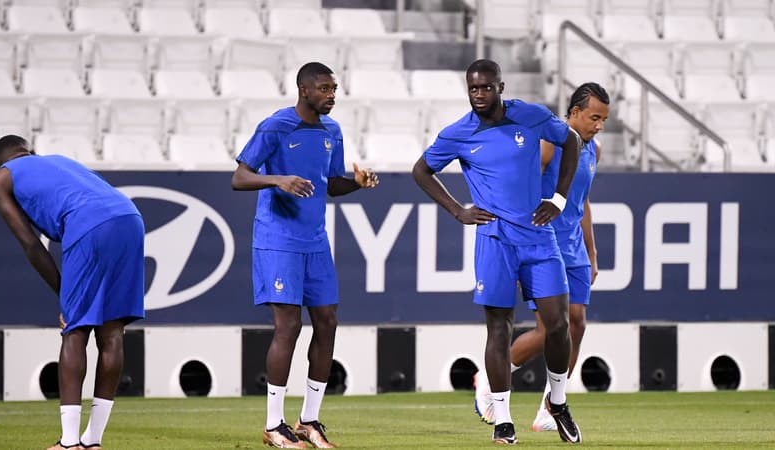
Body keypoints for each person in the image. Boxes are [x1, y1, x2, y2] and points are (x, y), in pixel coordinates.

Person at [412, 59, 583, 445]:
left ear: (500, 88)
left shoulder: (529, 116)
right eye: (473, 88)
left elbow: (570, 140)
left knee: (558, 324)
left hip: (539, 238)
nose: (478, 95)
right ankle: (503, 419)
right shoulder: (458, 133)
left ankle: (557, 401)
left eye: (486, 88)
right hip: (494, 241)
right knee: (499, 329)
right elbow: (421, 171)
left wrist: (558, 197)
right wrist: (458, 210)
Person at [231, 62, 378, 449]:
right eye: (325, 89)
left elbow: (331, 184)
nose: (332, 95)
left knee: (327, 321)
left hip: (315, 241)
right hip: (277, 239)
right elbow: (240, 176)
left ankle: (308, 420)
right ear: (304, 91)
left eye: (334, 88)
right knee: (288, 326)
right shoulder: (276, 126)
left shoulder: (332, 130)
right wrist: (277, 179)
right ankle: (273, 424)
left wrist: (357, 183)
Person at [0, 135, 145, 450]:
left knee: (76, 330)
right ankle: (92, 441)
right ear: (29, 150)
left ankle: (69, 443)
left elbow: (31, 244)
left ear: (1, 162)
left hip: (88, 223)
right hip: (130, 217)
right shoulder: (57, 160)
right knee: (112, 331)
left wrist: (64, 294)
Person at [473, 82, 611, 433]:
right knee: (551, 327)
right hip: (542, 241)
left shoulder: (592, 148)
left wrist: (592, 252)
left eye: (603, 120)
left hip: (575, 247)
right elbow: (523, 187)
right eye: (594, 117)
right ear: (574, 112)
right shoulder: (550, 143)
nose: (598, 125)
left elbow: (583, 201)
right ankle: (491, 379)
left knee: (576, 324)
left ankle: (550, 407)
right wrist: (519, 246)